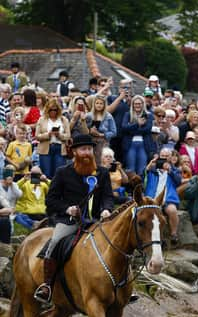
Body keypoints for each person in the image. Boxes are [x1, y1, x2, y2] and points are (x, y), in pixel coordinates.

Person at [34, 134, 114, 303]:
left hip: (97, 222)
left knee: (119, 242)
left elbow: (108, 196)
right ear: (75, 152)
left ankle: (121, 287)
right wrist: (67, 209)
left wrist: (106, 209)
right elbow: (51, 200)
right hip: (70, 221)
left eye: (90, 149)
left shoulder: (102, 173)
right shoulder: (63, 172)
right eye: (83, 149)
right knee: (55, 241)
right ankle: (47, 285)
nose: (87, 153)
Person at [143, 149, 181, 244]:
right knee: (156, 212)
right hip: (153, 199)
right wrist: (148, 167)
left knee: (172, 210)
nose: (164, 158)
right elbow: (141, 179)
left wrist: (170, 170)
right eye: (162, 155)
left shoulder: (174, 170)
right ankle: (160, 238)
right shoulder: (152, 170)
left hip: (168, 199)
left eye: (166, 156)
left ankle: (173, 234)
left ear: (170, 157)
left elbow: (178, 181)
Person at [35, 99, 70, 178]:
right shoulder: (42, 119)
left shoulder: (64, 120)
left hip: (60, 149)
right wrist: (48, 134)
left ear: (58, 110)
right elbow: (37, 136)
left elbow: (68, 136)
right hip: (45, 149)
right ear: (47, 109)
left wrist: (59, 135)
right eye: (51, 109)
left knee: (59, 174)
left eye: (55, 109)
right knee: (46, 174)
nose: (53, 111)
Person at [122, 95, 154, 176]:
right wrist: (137, 124)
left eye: (139, 103)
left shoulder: (148, 115)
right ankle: (130, 188)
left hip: (143, 144)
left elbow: (147, 129)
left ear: (143, 104)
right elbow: (124, 127)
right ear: (132, 104)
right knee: (130, 169)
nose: (137, 105)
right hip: (130, 145)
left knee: (142, 169)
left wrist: (131, 129)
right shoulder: (127, 114)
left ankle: (142, 188)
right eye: (135, 103)